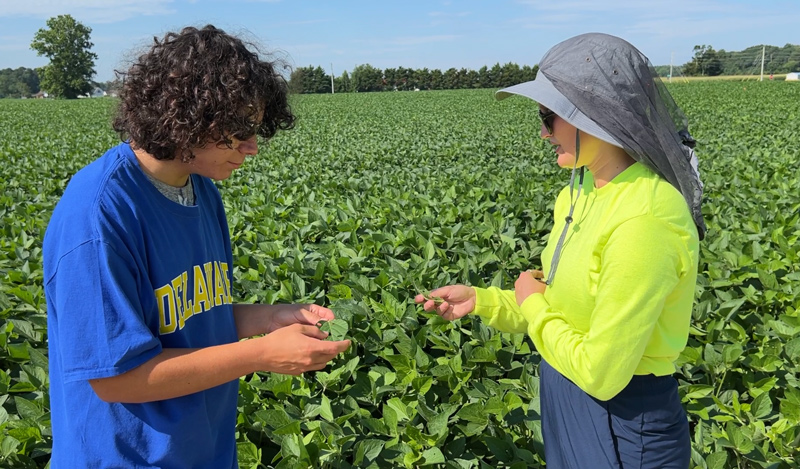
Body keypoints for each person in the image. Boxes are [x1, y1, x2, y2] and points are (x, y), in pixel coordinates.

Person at [42, 25, 350, 468]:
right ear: (186, 115)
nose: (252, 147)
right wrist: (260, 354)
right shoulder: (98, 215)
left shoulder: (198, 188)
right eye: (239, 128)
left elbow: (192, 316)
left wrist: (269, 317)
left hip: (200, 450)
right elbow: (118, 379)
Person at [417, 32, 705, 469]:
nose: (541, 132)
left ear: (595, 116)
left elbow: (602, 373)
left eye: (549, 117)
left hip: (625, 420)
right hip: (565, 392)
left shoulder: (645, 218)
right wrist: (485, 301)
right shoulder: (579, 191)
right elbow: (557, 306)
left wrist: (531, 305)